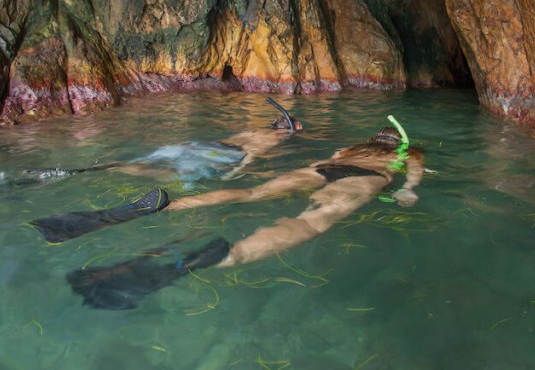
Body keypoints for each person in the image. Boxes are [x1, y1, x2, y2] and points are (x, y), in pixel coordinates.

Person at [66, 119, 425, 309]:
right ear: (398, 145)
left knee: (253, 193)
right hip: (365, 179)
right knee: (311, 222)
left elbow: (333, 157)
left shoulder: (352, 146)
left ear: (373, 138)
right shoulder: (411, 153)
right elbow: (414, 173)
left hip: (322, 167)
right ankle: (226, 255)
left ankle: (169, 204)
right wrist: (408, 190)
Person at [26, 98, 302, 243]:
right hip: (223, 155)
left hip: (201, 145)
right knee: (171, 178)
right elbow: (250, 155)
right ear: (288, 131)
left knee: (146, 164)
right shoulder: (273, 139)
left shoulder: (254, 129)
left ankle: (86, 169)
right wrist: (233, 174)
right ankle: (153, 207)